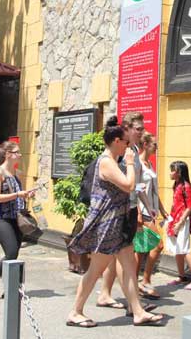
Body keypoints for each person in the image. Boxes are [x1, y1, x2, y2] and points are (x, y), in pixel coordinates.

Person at [66, 117, 164, 327]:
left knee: (129, 268)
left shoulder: (113, 161)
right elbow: (129, 185)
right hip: (107, 226)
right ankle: (75, 312)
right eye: (125, 143)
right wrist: (129, 163)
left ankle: (137, 311)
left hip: (117, 224)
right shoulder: (106, 162)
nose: (128, 147)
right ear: (116, 141)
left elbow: (133, 187)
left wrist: (147, 203)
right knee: (95, 271)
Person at [97, 111, 151, 307]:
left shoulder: (132, 150)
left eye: (142, 128)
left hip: (130, 206)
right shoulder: (121, 154)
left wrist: (144, 202)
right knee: (123, 258)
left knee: (116, 257)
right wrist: (136, 206)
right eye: (138, 129)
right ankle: (133, 304)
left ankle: (106, 294)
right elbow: (125, 184)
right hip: (121, 209)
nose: (142, 132)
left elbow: (135, 183)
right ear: (126, 128)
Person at [0, 141, 36, 300]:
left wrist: (26, 194)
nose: (20, 155)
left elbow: (18, 193)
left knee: (14, 254)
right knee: (11, 251)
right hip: (2, 218)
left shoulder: (17, 173)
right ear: (8, 154)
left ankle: (11, 288)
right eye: (17, 152)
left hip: (17, 217)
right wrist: (17, 195)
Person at [136, 131, 170, 296]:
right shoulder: (138, 165)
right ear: (145, 145)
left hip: (151, 210)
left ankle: (135, 283)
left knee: (141, 249)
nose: (156, 147)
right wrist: (138, 213)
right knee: (158, 245)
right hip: (143, 211)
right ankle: (145, 281)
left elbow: (153, 191)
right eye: (154, 144)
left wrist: (162, 210)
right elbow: (135, 189)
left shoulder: (149, 164)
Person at [166, 160, 191, 290]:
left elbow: (189, 207)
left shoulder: (185, 186)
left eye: (173, 170)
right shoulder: (176, 185)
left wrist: (180, 222)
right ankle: (181, 275)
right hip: (175, 218)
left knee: (185, 248)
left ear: (179, 172)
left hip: (182, 220)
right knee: (178, 248)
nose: (170, 173)